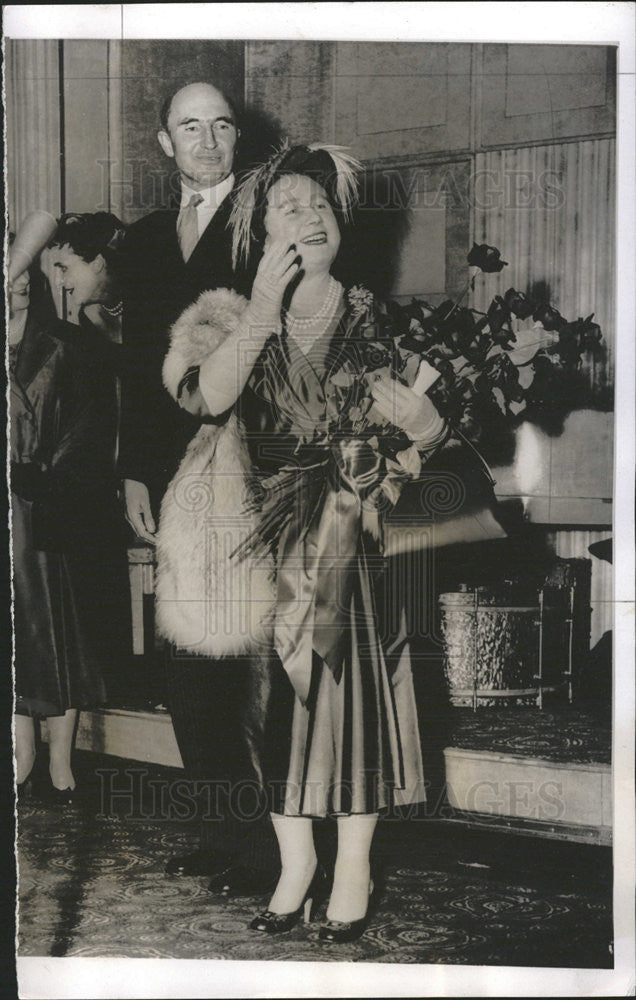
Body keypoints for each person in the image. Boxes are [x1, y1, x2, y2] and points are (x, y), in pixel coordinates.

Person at [158, 144, 459, 942]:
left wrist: (427, 430)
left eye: (320, 205)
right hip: (262, 542)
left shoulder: (375, 317)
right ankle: (295, 865)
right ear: (259, 233)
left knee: (355, 698)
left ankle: (353, 865)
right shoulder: (234, 316)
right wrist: (261, 304)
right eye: (288, 206)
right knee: (272, 712)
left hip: (358, 540)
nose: (309, 216)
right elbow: (208, 398)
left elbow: (424, 442)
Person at [118, 81, 278, 892]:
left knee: (246, 662)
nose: (208, 138)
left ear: (235, 138)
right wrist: (135, 472)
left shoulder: (265, 223)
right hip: (170, 481)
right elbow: (132, 370)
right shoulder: (143, 242)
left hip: (245, 466)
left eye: (221, 125)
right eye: (191, 126)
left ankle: (265, 848)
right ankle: (216, 828)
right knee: (186, 663)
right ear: (164, 142)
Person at [11, 212, 125, 802]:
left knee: (58, 628)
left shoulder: (69, 344)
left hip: (48, 507)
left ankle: (61, 760)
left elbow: (90, 424)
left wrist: (46, 476)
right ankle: (21, 752)